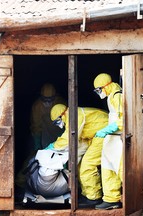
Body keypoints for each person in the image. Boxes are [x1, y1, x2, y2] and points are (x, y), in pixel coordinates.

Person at [48, 104, 109, 208]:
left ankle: (94, 197)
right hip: (94, 136)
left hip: (104, 134)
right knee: (80, 166)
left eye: (57, 121)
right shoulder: (72, 115)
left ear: (62, 114)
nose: (58, 124)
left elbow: (68, 138)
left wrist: (53, 146)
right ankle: (88, 194)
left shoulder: (74, 115)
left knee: (87, 165)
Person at [93, 73, 123, 210]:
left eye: (100, 89)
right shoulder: (111, 96)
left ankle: (141, 199)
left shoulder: (117, 96)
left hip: (118, 138)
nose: (99, 93)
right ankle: (111, 199)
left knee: (121, 169)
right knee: (107, 168)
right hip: (112, 137)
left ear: (107, 85)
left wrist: (107, 130)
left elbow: (123, 120)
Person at [30, 83, 67, 151]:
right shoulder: (37, 106)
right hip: (46, 132)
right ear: (41, 97)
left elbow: (67, 122)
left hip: (60, 131)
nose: (47, 102)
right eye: (44, 99)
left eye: (50, 99)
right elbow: (36, 126)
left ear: (55, 97)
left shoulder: (61, 103)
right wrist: (37, 144)